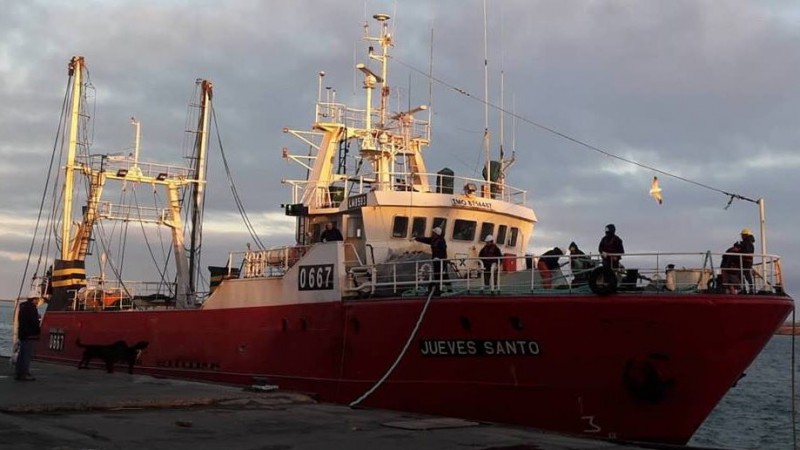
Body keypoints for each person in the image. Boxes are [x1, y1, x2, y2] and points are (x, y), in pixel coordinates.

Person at [413, 227, 450, 295]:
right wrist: (416, 238)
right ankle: (438, 288)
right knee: (437, 274)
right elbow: (426, 240)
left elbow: (443, 250)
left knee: (443, 274)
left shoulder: (441, 240)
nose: (432, 233)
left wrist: (440, 258)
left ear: (436, 234)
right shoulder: (433, 239)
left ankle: (448, 288)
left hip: (440, 260)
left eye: (433, 232)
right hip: (435, 259)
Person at [15, 297, 41, 381]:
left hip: (22, 334)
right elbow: (34, 322)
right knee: (27, 355)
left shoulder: (22, 307)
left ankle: (19, 372)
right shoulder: (32, 308)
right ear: (34, 299)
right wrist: (37, 332)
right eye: (37, 299)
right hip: (30, 335)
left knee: (21, 354)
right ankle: (24, 374)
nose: (38, 301)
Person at [739, 228, 755, 294]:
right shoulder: (749, 243)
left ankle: (746, 289)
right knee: (746, 275)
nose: (741, 236)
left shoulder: (747, 243)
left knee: (746, 275)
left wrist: (739, 249)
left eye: (742, 235)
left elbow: (746, 251)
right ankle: (749, 288)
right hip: (747, 261)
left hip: (745, 262)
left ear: (746, 235)